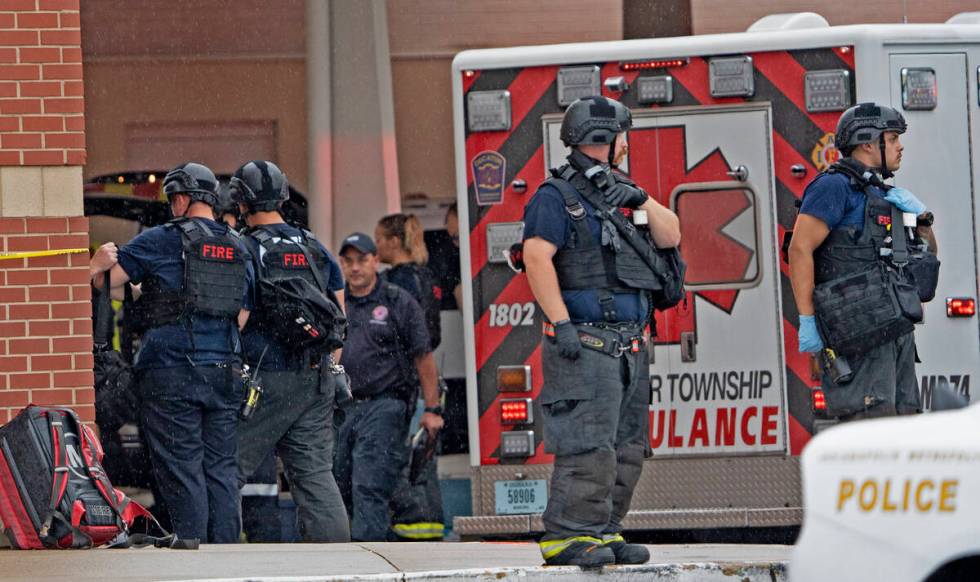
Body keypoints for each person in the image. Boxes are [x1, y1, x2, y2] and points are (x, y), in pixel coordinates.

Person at [522, 96, 680, 567]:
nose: (626, 144)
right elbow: (536, 257)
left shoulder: (622, 191)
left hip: (628, 345)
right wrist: (562, 324)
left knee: (626, 447)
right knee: (588, 443)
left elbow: (671, 236)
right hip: (587, 344)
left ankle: (605, 530)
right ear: (604, 140)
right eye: (622, 136)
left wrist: (642, 199)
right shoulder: (556, 196)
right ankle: (569, 535)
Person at [89, 161, 254, 543]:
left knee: (182, 469)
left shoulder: (161, 238)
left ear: (180, 199)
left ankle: (192, 551)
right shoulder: (239, 245)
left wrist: (96, 264)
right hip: (225, 370)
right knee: (222, 469)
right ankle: (226, 557)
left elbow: (107, 281)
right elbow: (242, 313)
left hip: (171, 370)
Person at [789, 102, 935, 421]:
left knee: (905, 423)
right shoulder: (833, 187)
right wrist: (808, 320)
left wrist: (921, 219)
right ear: (868, 143)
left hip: (894, 331)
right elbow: (800, 250)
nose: (900, 146)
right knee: (871, 425)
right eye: (893, 138)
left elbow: (925, 260)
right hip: (857, 334)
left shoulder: (884, 194)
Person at [230, 160, 351, 542]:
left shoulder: (246, 249)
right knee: (315, 476)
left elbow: (239, 319)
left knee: (225, 469)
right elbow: (338, 318)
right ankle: (338, 566)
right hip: (317, 376)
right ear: (282, 196)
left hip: (265, 379)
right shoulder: (314, 245)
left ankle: (216, 559)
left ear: (241, 202)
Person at [333, 232, 444, 541]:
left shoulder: (398, 301)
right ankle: (353, 555)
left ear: (375, 261)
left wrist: (432, 409)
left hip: (385, 404)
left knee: (368, 482)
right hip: (343, 406)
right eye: (349, 261)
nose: (355, 268)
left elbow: (424, 357)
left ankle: (369, 559)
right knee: (338, 480)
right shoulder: (336, 304)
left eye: (362, 260)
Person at [375, 213, 446, 541]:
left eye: (379, 240)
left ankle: (411, 522)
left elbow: (406, 337)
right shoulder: (426, 276)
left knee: (402, 454)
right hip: (428, 380)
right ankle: (428, 522)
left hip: (407, 380)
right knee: (424, 456)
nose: (377, 248)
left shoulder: (396, 284)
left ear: (393, 241)